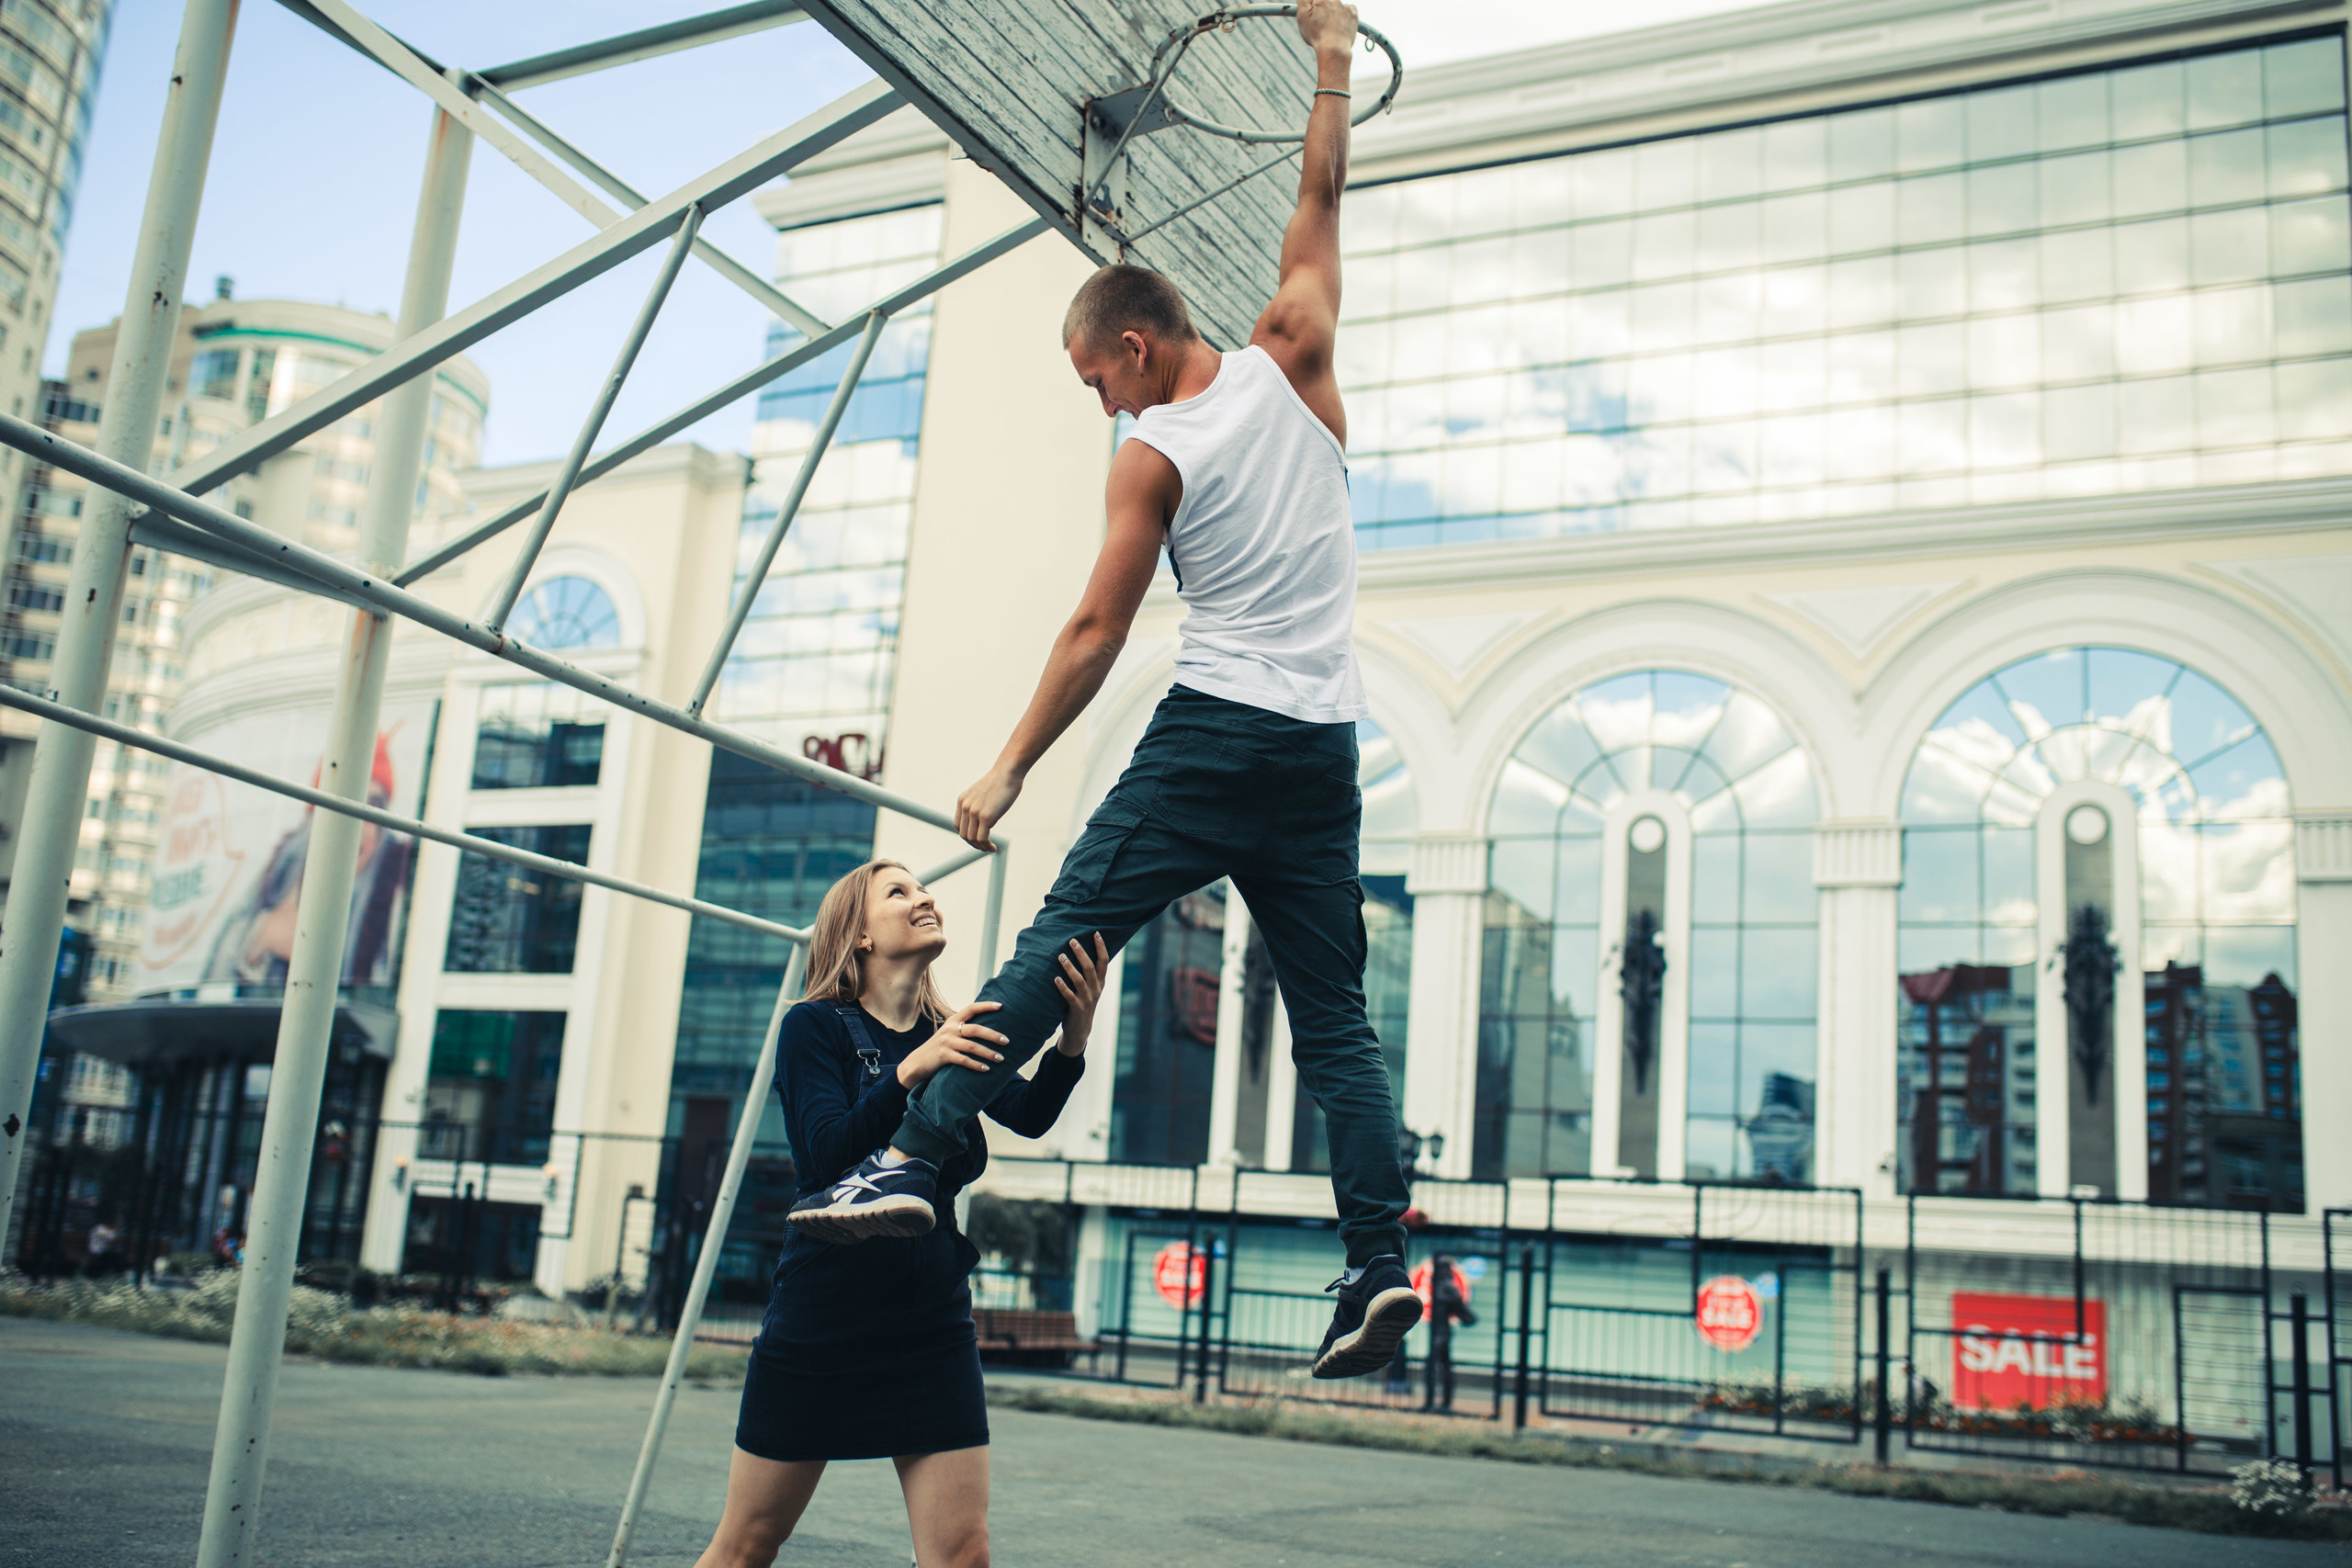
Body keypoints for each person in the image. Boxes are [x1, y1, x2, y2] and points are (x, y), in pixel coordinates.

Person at [786, 0, 1418, 1382]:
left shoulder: (1156, 452)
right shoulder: (1299, 353)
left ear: (1134, 344)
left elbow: (1094, 628)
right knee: (1337, 1028)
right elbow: (1320, 197)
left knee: (1056, 935)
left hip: (1214, 738)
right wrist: (1329, 57)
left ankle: (915, 1160)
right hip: (1323, 752)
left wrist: (1008, 763)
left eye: (1094, 379)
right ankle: (1379, 1260)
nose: (1101, 406)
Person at [695, 860, 1106, 1568]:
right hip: (825, 1312)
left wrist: (1074, 1037)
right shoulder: (813, 1026)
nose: (924, 897)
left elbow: (1030, 1113)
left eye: (923, 888)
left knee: (964, 1552)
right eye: (899, 891)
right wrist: (913, 1068)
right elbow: (825, 1156)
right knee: (747, 1547)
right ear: (859, 934)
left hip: (931, 1318)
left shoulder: (952, 1028)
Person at [1420, 1253, 1476, 1412]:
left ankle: (1433, 1403)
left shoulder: (1438, 1287)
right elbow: (1464, 1314)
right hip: (1443, 1332)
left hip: (1438, 1332)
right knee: (1443, 1367)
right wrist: (1468, 1318)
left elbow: (1463, 1313)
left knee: (1435, 1366)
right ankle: (1442, 1403)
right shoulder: (1448, 1288)